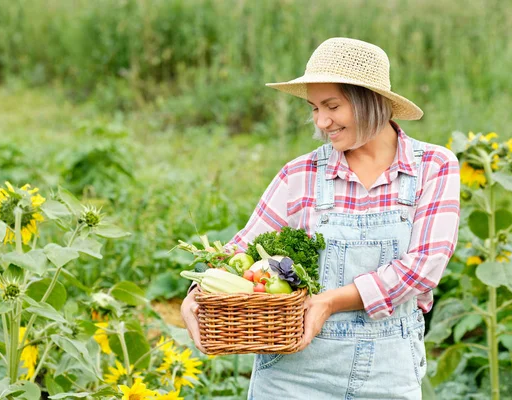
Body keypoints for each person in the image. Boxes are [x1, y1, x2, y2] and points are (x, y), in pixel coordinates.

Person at [181, 37, 460, 399]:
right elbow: (242, 248)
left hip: (388, 373)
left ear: (370, 101)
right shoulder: (301, 173)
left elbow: (425, 266)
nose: (322, 121)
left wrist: (328, 301)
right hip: (292, 374)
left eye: (332, 105)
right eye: (314, 108)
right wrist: (197, 291)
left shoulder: (433, 167)